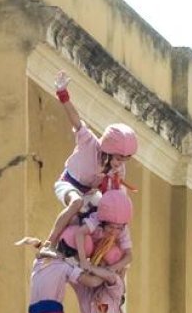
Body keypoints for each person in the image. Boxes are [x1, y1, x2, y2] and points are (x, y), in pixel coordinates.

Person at [40, 71, 138, 258]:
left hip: (90, 194)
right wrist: (62, 94)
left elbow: (114, 196)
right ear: (107, 151)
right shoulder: (89, 143)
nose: (120, 164)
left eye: (124, 160)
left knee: (104, 217)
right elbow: (76, 120)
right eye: (118, 158)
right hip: (69, 184)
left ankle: (92, 258)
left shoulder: (118, 170)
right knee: (76, 203)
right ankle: (49, 243)